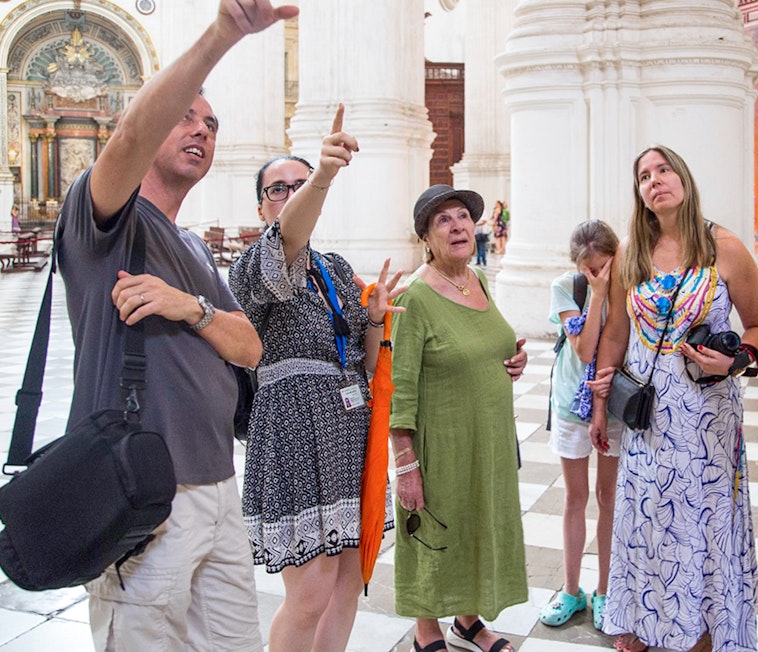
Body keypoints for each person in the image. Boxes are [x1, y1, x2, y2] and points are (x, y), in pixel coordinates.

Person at [53, 1, 296, 649]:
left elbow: (248, 346)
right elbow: (130, 138)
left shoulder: (187, 247)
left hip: (218, 487)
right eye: (185, 116)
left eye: (212, 124)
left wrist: (188, 307)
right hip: (142, 494)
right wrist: (223, 36)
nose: (201, 130)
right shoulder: (102, 221)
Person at [227, 105, 402, 652]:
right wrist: (322, 176)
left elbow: (364, 365)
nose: (290, 193)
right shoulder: (253, 264)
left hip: (348, 433)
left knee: (349, 583)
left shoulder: (333, 266)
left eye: (299, 185)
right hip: (294, 434)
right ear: (262, 205)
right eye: (279, 188)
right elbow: (285, 240)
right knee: (309, 594)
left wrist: (375, 318)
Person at [589, 145, 758, 652]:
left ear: (683, 179)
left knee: (703, 518)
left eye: (663, 170)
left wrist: (736, 360)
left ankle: (704, 628)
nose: (654, 181)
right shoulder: (632, 251)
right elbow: (616, 332)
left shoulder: (724, 247)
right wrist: (600, 405)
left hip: (707, 412)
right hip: (650, 410)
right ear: (639, 194)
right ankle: (649, 622)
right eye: (644, 175)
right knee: (647, 515)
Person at [390, 184, 529, 652]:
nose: (458, 226)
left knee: (476, 523)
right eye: (443, 220)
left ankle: (467, 622)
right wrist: (406, 465)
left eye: (463, 217)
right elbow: (400, 387)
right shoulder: (414, 298)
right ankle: (426, 628)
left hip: (486, 438)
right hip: (440, 443)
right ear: (425, 238)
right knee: (435, 532)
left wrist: (511, 360)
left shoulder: (477, 280)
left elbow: (486, 342)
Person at [539, 220, 623, 631]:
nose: (599, 274)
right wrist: (596, 294)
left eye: (605, 266)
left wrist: (611, 291)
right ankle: (572, 590)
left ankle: (606, 590)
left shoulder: (631, 286)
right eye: (590, 269)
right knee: (576, 497)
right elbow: (585, 346)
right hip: (573, 401)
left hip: (617, 406)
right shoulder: (566, 288)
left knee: (610, 497)